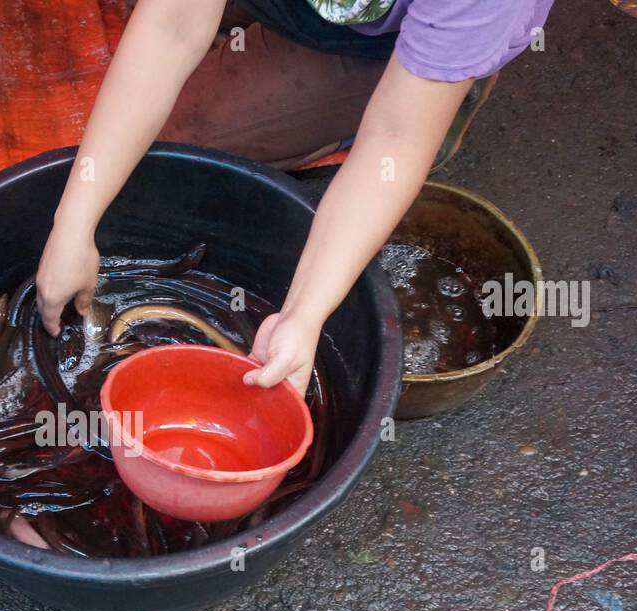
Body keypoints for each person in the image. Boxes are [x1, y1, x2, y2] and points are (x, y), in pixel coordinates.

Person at [35, 0, 553, 393]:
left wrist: (303, 315)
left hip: (381, 41)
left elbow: (396, 135)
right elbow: (171, 25)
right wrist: (74, 221)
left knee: (184, 145)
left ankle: (446, 76)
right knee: (140, 138)